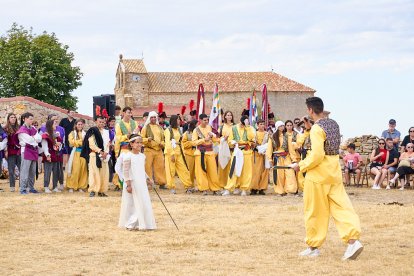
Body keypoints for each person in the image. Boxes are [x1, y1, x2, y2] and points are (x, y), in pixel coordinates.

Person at [290, 97, 362, 260]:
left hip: (318, 175)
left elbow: (317, 155)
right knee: (342, 208)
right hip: (334, 172)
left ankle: (313, 247)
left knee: (314, 211)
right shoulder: (333, 124)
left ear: (309, 110)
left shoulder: (316, 129)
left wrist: (300, 165)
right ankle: (353, 242)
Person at [116, 134, 157, 231]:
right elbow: (126, 172)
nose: (139, 144)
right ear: (131, 144)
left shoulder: (142, 156)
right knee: (133, 203)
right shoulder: (128, 156)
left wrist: (148, 179)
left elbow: (141, 170)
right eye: (137, 142)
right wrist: (128, 184)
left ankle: (143, 223)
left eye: (141, 142)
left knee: (143, 202)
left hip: (141, 183)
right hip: (132, 182)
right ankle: (130, 224)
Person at [222, 115, 255, 196]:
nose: (243, 125)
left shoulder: (249, 128)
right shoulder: (233, 128)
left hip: (247, 152)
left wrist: (247, 127)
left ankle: (244, 189)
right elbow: (230, 140)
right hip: (237, 151)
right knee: (233, 170)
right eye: (243, 123)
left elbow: (252, 138)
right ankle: (229, 189)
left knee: (246, 171)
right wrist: (233, 142)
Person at [81, 116, 111, 197]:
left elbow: (108, 143)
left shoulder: (106, 132)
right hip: (94, 154)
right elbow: (91, 144)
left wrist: (106, 152)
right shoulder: (93, 131)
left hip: (104, 156)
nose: (101, 123)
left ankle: (102, 191)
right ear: (96, 122)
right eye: (100, 122)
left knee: (104, 173)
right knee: (94, 173)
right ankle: (93, 190)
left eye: (103, 122)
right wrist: (100, 151)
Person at [266, 121, 298, 195]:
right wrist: (270, 160)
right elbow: (269, 149)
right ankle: (280, 191)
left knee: (290, 174)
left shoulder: (287, 136)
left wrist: (294, 159)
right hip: (277, 158)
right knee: (279, 175)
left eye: (283, 126)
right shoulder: (273, 137)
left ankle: (290, 190)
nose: (282, 127)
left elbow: (291, 149)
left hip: (286, 157)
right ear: (277, 127)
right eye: (281, 126)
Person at [192, 113, 221, 195]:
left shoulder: (210, 128)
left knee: (213, 171)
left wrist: (216, 138)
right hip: (200, 153)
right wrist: (204, 139)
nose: (206, 121)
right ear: (200, 120)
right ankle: (203, 189)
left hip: (210, 152)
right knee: (201, 172)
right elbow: (193, 142)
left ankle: (215, 189)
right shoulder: (196, 130)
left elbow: (216, 139)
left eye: (207, 120)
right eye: (204, 120)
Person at [164, 115, 193, 194]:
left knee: (183, 169)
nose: (179, 121)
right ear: (174, 120)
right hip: (171, 152)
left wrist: (182, 151)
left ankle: (188, 186)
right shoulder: (168, 130)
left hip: (179, 151)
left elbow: (181, 141)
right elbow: (167, 142)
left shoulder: (179, 130)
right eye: (178, 119)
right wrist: (172, 154)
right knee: (171, 170)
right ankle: (172, 187)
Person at [17, 112, 42, 194]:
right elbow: (29, 140)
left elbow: (39, 138)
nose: (32, 121)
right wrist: (34, 139)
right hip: (26, 151)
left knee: (32, 171)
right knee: (24, 171)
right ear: (25, 119)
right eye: (30, 119)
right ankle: (23, 189)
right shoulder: (22, 130)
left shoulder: (33, 129)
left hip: (33, 151)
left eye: (32, 119)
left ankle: (31, 187)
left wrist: (33, 139)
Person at [140, 111, 167, 188]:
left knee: (160, 167)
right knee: (147, 167)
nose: (153, 119)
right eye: (152, 117)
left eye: (155, 117)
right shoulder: (145, 128)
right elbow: (141, 139)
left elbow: (163, 138)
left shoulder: (160, 128)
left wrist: (162, 143)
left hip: (158, 150)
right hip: (148, 150)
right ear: (149, 118)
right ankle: (149, 183)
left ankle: (161, 183)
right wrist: (147, 139)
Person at [40, 114, 65, 190]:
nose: (56, 125)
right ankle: (46, 187)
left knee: (56, 171)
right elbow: (44, 146)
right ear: (50, 125)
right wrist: (47, 155)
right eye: (54, 123)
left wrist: (58, 145)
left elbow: (60, 144)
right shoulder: (45, 135)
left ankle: (55, 187)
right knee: (47, 171)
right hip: (49, 155)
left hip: (56, 155)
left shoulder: (57, 135)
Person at [66, 119, 87, 193]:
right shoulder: (72, 133)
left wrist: (79, 142)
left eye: (81, 124)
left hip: (83, 153)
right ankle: (71, 186)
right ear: (76, 125)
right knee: (75, 170)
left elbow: (87, 143)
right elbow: (72, 142)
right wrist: (81, 142)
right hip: (75, 153)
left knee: (83, 170)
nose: (80, 126)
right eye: (78, 124)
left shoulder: (85, 133)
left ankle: (81, 186)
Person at [250, 119, 270, 195]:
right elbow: (252, 143)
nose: (262, 126)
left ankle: (262, 188)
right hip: (256, 155)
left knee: (264, 171)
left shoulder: (267, 134)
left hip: (264, 155)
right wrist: (256, 146)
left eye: (263, 124)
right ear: (257, 125)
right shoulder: (254, 134)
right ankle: (254, 188)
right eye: (260, 124)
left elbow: (269, 143)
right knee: (255, 172)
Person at [3, 113, 21, 192]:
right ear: (8, 119)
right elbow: (4, 141)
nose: (13, 118)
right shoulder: (5, 128)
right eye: (11, 117)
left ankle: (22, 186)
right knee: (11, 170)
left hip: (19, 151)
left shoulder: (19, 128)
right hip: (10, 151)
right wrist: (6, 150)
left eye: (14, 117)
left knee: (21, 169)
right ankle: (12, 187)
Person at [218, 111, 234, 189]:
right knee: (222, 167)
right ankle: (222, 185)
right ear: (225, 117)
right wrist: (223, 139)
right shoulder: (221, 126)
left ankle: (230, 185)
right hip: (224, 148)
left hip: (232, 149)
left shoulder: (234, 126)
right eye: (228, 115)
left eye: (230, 115)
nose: (229, 116)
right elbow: (218, 137)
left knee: (231, 167)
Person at [182, 119, 198, 188]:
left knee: (198, 171)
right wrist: (193, 143)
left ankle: (199, 186)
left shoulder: (199, 133)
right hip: (189, 154)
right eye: (197, 124)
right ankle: (190, 185)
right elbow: (184, 144)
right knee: (190, 171)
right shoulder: (187, 133)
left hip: (198, 154)